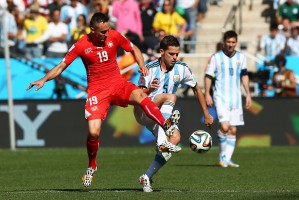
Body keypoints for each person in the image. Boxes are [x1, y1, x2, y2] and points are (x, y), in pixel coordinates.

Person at [26, 12, 180, 188]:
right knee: (93, 132)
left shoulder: (114, 35)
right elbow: (62, 65)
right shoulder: (81, 44)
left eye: (108, 30)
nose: (107, 34)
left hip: (117, 84)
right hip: (97, 92)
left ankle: (167, 127)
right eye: (102, 32)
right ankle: (92, 165)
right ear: (92, 30)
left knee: (140, 95)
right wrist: (44, 79)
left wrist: (141, 65)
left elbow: (134, 48)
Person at [135, 35, 214, 192]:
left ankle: (147, 177)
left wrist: (206, 112)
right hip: (144, 111)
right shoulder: (149, 69)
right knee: (170, 96)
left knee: (175, 139)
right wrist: (149, 89)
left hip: (162, 114)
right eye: (171, 54)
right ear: (162, 52)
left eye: (177, 54)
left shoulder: (182, 69)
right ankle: (166, 127)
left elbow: (196, 88)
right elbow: (138, 95)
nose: (175, 57)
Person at [205, 30, 252, 168]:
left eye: (233, 42)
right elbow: (208, 76)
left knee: (233, 130)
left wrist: (248, 93)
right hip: (220, 97)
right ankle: (222, 157)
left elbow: (244, 75)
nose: (231, 44)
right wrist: (207, 93)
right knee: (225, 126)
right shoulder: (216, 57)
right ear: (224, 42)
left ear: (236, 42)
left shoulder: (241, 58)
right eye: (228, 42)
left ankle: (228, 160)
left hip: (236, 99)